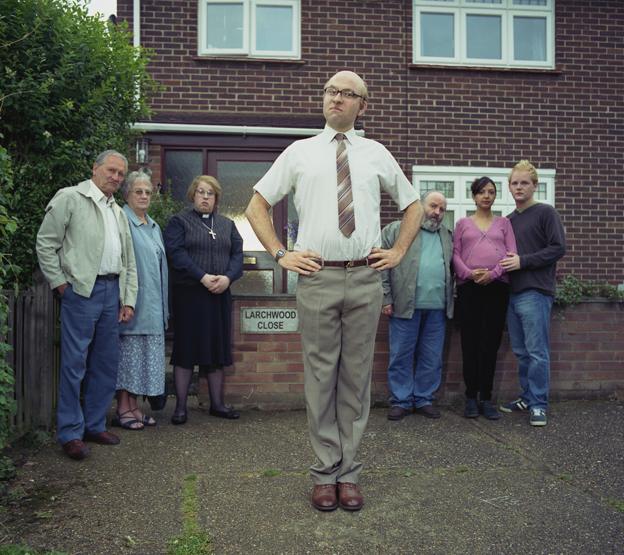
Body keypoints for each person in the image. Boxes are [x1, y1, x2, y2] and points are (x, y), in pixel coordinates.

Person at [245, 71, 422, 512]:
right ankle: (325, 472)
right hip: (318, 277)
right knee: (322, 378)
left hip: (365, 277)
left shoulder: (377, 153)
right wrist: (280, 253)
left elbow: (414, 205)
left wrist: (398, 251)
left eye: (347, 94)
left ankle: (349, 473)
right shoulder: (300, 152)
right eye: (330, 91)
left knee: (355, 379)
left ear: (363, 105)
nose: (336, 99)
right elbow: (256, 206)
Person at [36, 150, 138, 460]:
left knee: (105, 364)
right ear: (94, 168)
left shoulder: (117, 211)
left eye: (121, 174)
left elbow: (128, 260)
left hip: (111, 293)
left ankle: (94, 425)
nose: (115, 177)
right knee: (74, 364)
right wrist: (60, 284)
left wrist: (128, 299)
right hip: (81, 292)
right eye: (111, 170)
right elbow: (45, 243)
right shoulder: (70, 198)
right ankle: (70, 432)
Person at [164, 175, 243, 425]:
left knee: (216, 348)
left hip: (219, 294)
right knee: (186, 349)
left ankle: (217, 404)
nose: (205, 197)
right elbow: (175, 253)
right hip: (190, 295)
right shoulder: (179, 222)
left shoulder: (227, 225)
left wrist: (228, 278)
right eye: (201, 192)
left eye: (210, 193)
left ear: (216, 199)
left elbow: (237, 255)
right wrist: (202, 276)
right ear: (192, 195)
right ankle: (180, 408)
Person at [499, 160, 566, 427]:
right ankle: (527, 397)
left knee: (537, 351)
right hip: (512, 294)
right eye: (514, 183)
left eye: (524, 182)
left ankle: (539, 404)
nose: (519, 187)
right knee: (521, 351)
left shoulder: (546, 213)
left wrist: (523, 261)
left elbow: (558, 248)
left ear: (535, 185)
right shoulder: (508, 220)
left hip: (535, 292)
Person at [382, 191, 454, 422]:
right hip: (404, 305)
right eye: (433, 206)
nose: (437, 213)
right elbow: (380, 265)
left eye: (442, 209)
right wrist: (386, 298)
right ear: (420, 206)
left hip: (437, 308)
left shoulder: (447, 235)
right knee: (401, 355)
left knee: (431, 357)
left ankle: (424, 399)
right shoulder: (396, 230)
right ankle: (401, 401)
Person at [453, 177, 517, 420]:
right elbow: (455, 254)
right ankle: (470, 398)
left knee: (490, 344)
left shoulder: (504, 223)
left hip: (496, 289)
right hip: (469, 289)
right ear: (474, 196)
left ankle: (486, 398)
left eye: (491, 192)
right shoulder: (462, 224)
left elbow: (512, 254)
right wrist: (470, 274)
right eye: (482, 192)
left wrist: (493, 274)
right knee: (470, 344)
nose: (486, 196)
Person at [113, 171, 169, 430]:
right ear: (127, 194)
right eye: (138, 191)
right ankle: (123, 409)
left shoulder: (153, 225)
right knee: (128, 360)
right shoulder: (121, 220)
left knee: (142, 361)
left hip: (154, 307)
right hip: (133, 305)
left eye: (148, 192)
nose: (144, 196)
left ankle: (134, 407)